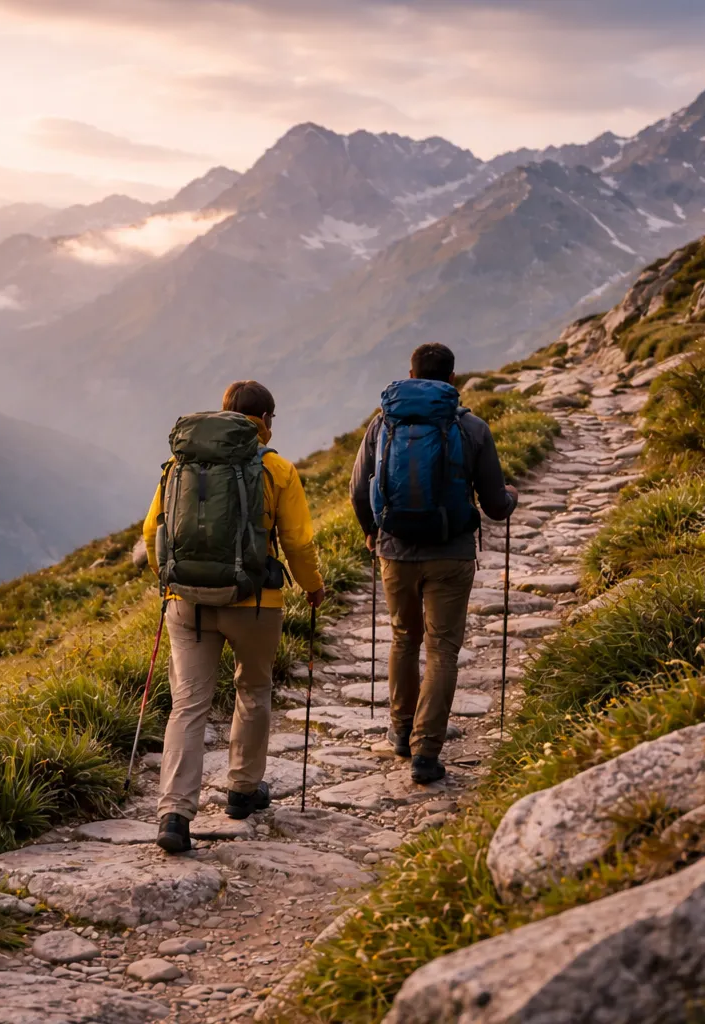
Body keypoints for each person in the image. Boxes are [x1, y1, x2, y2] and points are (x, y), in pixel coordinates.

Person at [144, 380, 326, 854]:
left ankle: (174, 814)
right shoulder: (277, 469)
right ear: (265, 421)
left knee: (188, 703)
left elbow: (152, 531)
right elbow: (298, 542)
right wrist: (313, 586)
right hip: (255, 603)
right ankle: (242, 790)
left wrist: (169, 582)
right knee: (253, 688)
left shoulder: (179, 463)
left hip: (188, 605)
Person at [349, 343, 517, 784]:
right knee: (442, 648)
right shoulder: (473, 428)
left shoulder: (383, 423)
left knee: (405, 638)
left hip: (395, 550)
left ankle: (400, 731)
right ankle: (427, 751)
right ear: (454, 380)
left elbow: (357, 488)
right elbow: (496, 505)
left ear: (410, 373)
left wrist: (372, 531)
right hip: (451, 553)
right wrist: (512, 498)